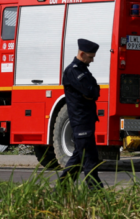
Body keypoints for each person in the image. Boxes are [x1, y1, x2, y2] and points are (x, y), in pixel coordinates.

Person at [58, 39, 103, 189]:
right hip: (80, 120)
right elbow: (90, 91)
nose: (92, 60)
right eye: (90, 57)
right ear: (82, 54)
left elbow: (95, 90)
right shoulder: (73, 70)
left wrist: (92, 92)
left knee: (79, 157)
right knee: (90, 158)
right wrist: (91, 92)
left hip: (87, 120)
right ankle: (96, 192)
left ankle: (61, 190)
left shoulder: (83, 69)